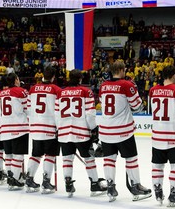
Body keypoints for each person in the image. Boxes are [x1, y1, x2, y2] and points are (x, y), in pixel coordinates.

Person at [98, 61, 151, 202]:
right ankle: (135, 187)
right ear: (121, 70)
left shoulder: (103, 86)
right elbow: (137, 106)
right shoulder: (127, 84)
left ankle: (110, 187)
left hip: (105, 130)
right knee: (131, 159)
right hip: (123, 130)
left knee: (109, 159)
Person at [55, 69, 106, 197]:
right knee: (89, 159)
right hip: (81, 132)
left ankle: (68, 184)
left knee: (67, 159)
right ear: (80, 79)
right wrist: (93, 128)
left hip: (64, 132)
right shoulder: (86, 92)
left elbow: (56, 114)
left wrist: (59, 129)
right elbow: (89, 114)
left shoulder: (60, 93)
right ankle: (94, 184)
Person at [149, 66, 175, 206]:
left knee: (157, 166)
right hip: (174, 136)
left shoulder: (153, 90)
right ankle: (174, 194)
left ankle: (158, 192)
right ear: (173, 75)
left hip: (157, 136)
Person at [25, 66, 60, 194]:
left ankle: (29, 178)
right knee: (50, 155)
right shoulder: (56, 89)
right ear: (53, 77)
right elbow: (58, 110)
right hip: (50, 126)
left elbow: (28, 108)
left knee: (36, 154)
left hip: (35, 127)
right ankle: (46, 182)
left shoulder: (33, 89)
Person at [0, 73, 29, 190]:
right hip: (19, 127)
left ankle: (10, 177)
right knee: (18, 155)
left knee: (9, 154)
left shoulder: (2, 93)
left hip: (4, 127)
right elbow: (28, 108)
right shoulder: (21, 91)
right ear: (16, 80)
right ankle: (15, 178)